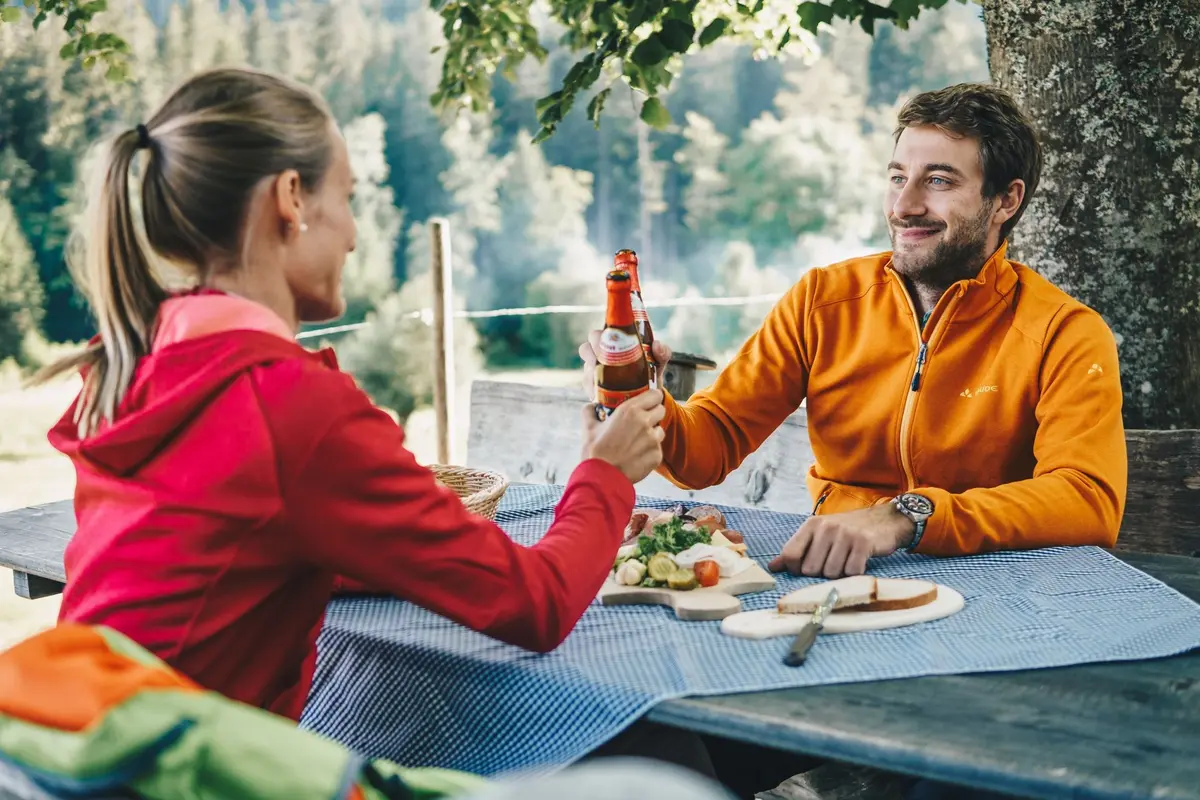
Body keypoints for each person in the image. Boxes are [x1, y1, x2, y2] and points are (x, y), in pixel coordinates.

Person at [32, 66, 668, 724]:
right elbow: (538, 606)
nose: (355, 236)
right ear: (291, 199)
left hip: (72, 756)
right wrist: (606, 474)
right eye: (348, 198)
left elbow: (239, 551)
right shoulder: (286, 405)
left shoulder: (146, 364)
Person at [581, 82, 1128, 580]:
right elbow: (710, 446)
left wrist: (906, 517)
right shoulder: (823, 300)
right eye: (897, 178)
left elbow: (1087, 500)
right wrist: (645, 398)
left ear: (1005, 200)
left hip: (1000, 583)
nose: (904, 205)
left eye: (938, 181)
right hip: (834, 570)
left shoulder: (1064, 332)